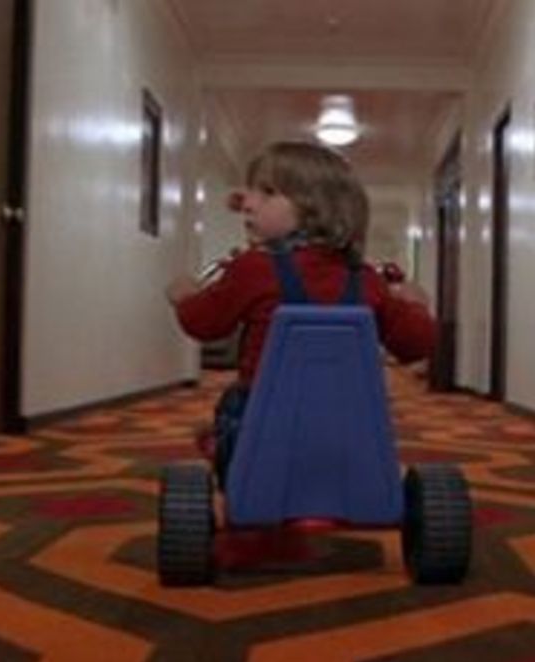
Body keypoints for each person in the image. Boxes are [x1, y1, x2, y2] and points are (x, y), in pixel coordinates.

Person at [166, 141, 436, 485]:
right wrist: (416, 305)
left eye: (266, 192)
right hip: (349, 423)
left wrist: (186, 297)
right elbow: (416, 345)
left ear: (315, 209)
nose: (247, 203)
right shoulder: (367, 280)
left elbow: (204, 324)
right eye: (250, 192)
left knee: (236, 402)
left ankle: (228, 451)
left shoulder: (251, 269)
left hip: (264, 425)